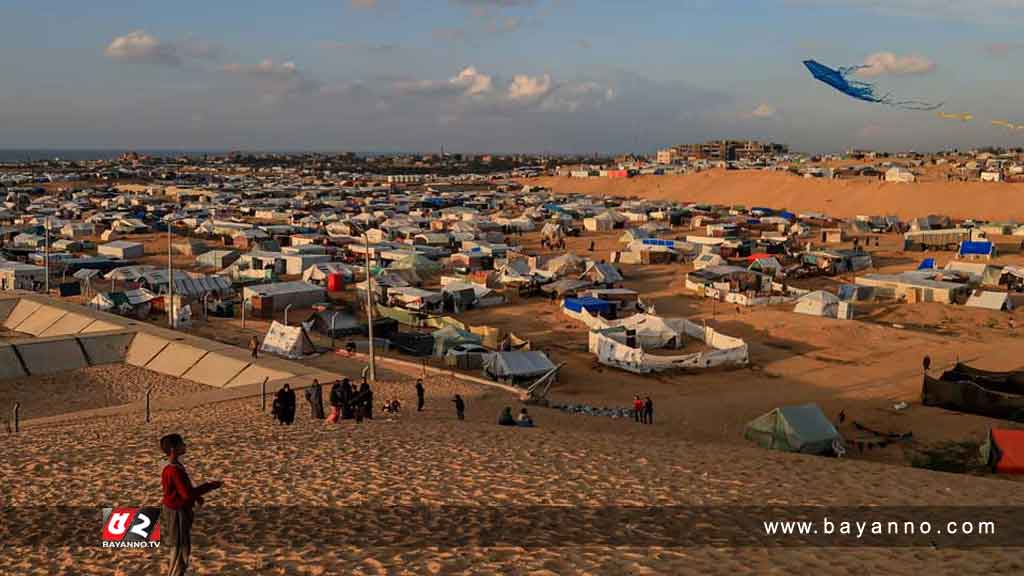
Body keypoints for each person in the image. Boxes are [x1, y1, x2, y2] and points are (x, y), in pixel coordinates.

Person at [160, 433, 222, 576]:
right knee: (180, 548)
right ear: (173, 449)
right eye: (182, 443)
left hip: (177, 508)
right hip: (177, 511)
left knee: (181, 546)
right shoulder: (173, 470)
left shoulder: (174, 466)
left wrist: (196, 497)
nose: (185, 445)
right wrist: (209, 486)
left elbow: (184, 491)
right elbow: (186, 494)